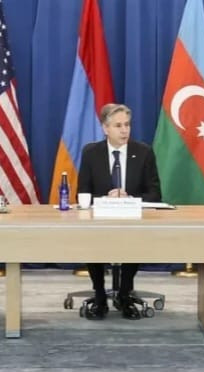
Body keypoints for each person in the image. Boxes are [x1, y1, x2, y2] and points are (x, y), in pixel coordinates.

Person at [77, 103, 161, 321]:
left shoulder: (143, 152)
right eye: (118, 126)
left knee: (135, 238)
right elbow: (82, 193)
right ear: (105, 128)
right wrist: (105, 200)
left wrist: (129, 199)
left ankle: (124, 294)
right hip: (99, 221)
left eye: (127, 125)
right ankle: (99, 295)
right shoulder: (91, 153)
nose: (125, 130)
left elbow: (155, 194)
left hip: (133, 221)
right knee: (92, 239)